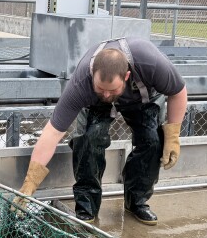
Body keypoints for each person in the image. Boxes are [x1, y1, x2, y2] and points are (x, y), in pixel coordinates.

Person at [18, 37, 187, 225]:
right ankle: (87, 207)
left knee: (153, 141)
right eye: (100, 88)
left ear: (126, 76)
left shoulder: (151, 62)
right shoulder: (80, 83)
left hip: (143, 99)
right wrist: (30, 183)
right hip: (94, 104)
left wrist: (173, 136)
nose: (106, 94)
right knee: (88, 140)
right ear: (92, 76)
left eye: (112, 90)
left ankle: (137, 202)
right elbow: (52, 133)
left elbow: (178, 92)